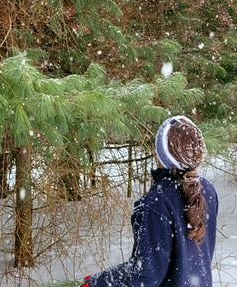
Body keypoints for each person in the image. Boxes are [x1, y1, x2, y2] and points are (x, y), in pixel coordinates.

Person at [81, 115, 218, 287]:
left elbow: (145, 275)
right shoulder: (207, 190)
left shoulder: (157, 201)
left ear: (161, 155)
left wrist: (97, 283)